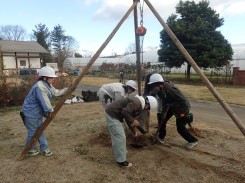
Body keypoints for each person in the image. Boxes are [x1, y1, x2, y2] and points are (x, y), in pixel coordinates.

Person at [21, 66, 68, 157]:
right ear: (44, 78)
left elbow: (56, 93)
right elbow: (45, 103)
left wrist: (67, 89)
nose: (53, 79)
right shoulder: (40, 87)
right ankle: (29, 149)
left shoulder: (47, 85)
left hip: (37, 113)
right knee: (33, 132)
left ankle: (44, 148)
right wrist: (50, 112)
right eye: (51, 77)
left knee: (40, 130)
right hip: (30, 113)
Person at [105, 95, 158, 167]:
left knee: (120, 134)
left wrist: (133, 131)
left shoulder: (139, 102)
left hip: (114, 113)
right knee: (120, 137)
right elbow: (125, 112)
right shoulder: (138, 104)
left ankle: (121, 151)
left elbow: (127, 117)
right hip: (113, 114)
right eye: (147, 109)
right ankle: (121, 161)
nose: (146, 110)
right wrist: (133, 120)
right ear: (147, 105)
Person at [148, 73, 198, 148]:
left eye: (154, 85)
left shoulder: (170, 89)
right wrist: (163, 112)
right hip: (172, 107)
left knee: (180, 128)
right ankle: (161, 137)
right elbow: (165, 102)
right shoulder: (160, 90)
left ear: (159, 84)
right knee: (162, 119)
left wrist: (171, 104)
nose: (153, 88)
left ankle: (193, 140)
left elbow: (181, 100)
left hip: (182, 108)